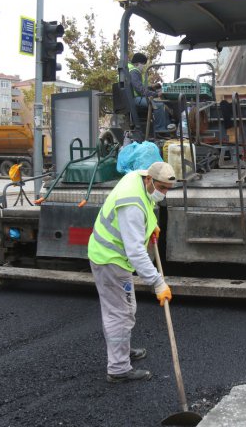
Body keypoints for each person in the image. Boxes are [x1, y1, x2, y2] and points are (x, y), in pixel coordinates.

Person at [87, 161, 176, 383]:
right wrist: (158, 283)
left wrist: (151, 225)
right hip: (110, 260)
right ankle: (118, 369)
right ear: (149, 180)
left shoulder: (137, 177)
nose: (163, 193)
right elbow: (136, 252)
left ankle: (122, 350)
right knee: (120, 314)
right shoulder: (132, 205)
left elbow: (146, 210)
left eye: (167, 189)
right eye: (161, 188)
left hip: (112, 258)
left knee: (126, 308)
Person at [128, 53, 172, 134]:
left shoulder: (129, 70)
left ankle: (168, 130)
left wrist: (151, 87)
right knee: (159, 105)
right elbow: (139, 89)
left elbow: (137, 87)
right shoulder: (134, 72)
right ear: (137, 63)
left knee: (163, 106)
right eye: (143, 64)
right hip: (134, 99)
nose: (144, 66)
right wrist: (155, 94)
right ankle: (160, 130)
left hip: (133, 97)